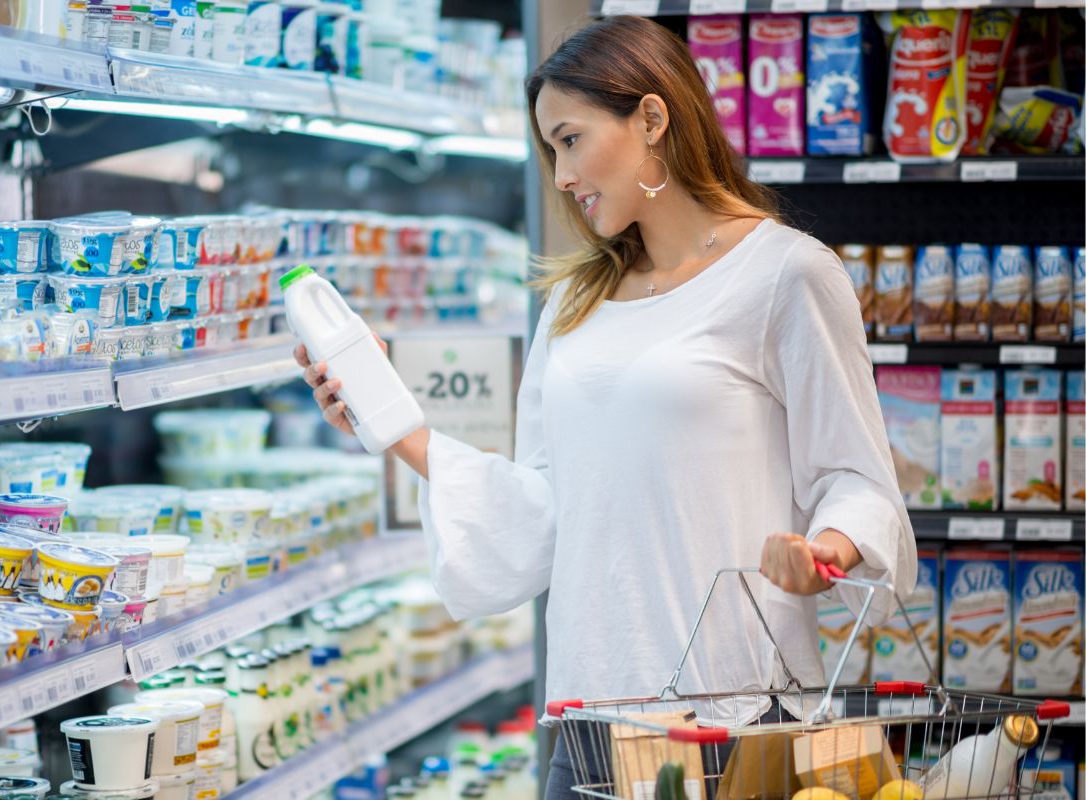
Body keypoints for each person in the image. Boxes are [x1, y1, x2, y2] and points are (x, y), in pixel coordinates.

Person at [295, 13, 917, 795]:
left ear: (652, 118)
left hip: (733, 722)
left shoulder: (786, 275)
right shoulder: (574, 304)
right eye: (549, 149)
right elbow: (546, 509)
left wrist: (824, 551)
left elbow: (860, 479)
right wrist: (394, 427)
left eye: (570, 139)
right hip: (589, 720)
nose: (559, 175)